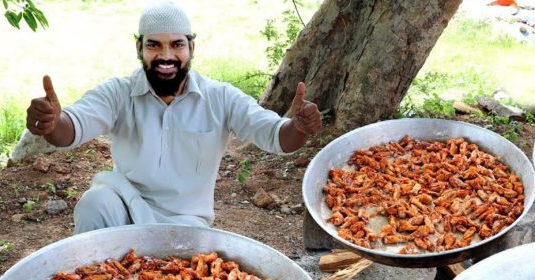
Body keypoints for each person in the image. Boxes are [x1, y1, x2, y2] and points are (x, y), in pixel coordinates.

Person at [25, 1, 321, 234]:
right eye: (154, 44)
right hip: (125, 206)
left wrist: (298, 127)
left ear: (191, 47)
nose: (166, 55)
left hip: (186, 223)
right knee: (94, 203)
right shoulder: (118, 93)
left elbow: (275, 136)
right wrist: (52, 123)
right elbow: (71, 128)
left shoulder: (220, 98)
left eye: (176, 44)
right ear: (138, 47)